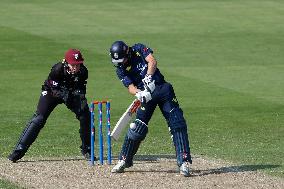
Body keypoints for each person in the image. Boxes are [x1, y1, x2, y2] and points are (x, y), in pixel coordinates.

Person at [109, 41, 192, 177]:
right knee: (137, 128)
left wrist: (148, 77)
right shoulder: (120, 69)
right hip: (146, 96)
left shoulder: (138, 48)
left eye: (122, 59)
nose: (120, 63)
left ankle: (183, 162)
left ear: (127, 53)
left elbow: (152, 61)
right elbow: (130, 87)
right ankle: (124, 160)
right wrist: (138, 93)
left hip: (162, 89)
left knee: (177, 122)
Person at [8, 49, 92, 162]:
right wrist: (64, 95)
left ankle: (87, 149)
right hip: (51, 93)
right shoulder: (57, 70)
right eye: (73, 65)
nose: (76, 68)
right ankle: (19, 150)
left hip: (70, 95)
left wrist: (80, 97)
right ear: (66, 63)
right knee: (39, 118)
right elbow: (54, 88)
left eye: (78, 65)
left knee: (86, 115)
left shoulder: (83, 72)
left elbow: (81, 88)